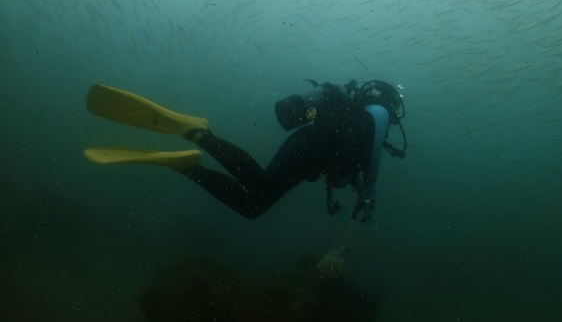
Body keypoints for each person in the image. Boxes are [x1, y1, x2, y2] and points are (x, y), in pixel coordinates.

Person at [84, 79, 407, 222]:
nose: (392, 117)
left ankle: (188, 167)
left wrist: (350, 181)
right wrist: (368, 192)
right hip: (310, 147)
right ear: (390, 104)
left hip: (309, 148)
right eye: (394, 111)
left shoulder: (359, 116)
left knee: (253, 205)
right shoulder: (378, 113)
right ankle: (198, 133)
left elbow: (351, 158)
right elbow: (375, 155)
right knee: (259, 186)